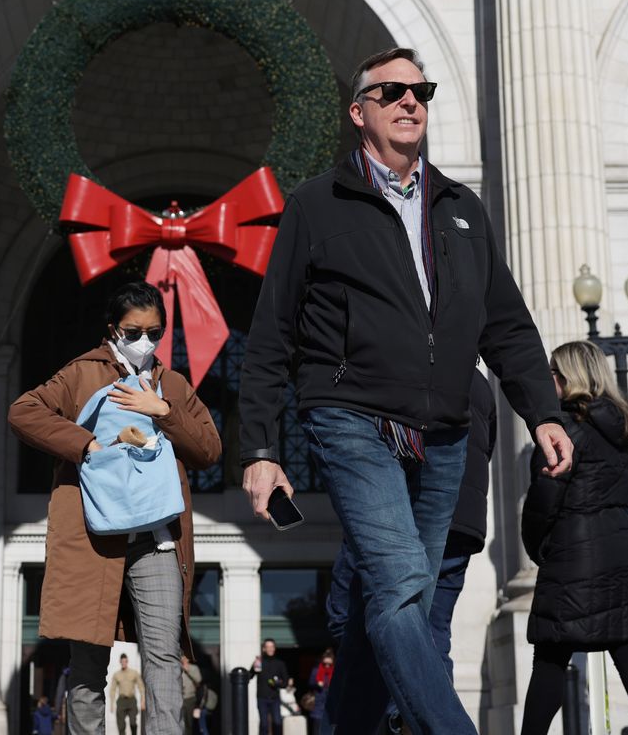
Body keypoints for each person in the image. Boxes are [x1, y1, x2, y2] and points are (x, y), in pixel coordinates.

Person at [238, 46, 572, 735]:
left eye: (419, 89)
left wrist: (542, 410)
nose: (409, 101)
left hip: (444, 427)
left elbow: (504, 321)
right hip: (350, 415)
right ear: (358, 112)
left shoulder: (460, 208)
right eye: (390, 92)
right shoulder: (314, 205)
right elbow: (271, 334)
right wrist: (261, 448)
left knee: (396, 611)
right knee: (398, 587)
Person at [9, 282, 223, 735]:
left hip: (157, 538)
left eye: (155, 332)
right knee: (87, 655)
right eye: (134, 330)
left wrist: (162, 409)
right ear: (113, 329)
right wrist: (87, 445)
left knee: (164, 652)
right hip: (92, 535)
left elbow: (208, 449)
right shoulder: (82, 373)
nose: (145, 340)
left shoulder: (173, 384)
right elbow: (24, 412)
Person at [324, 368, 497, 734]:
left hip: (411, 511)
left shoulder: (417, 363)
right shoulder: (482, 386)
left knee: (363, 620)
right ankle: (411, 714)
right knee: (434, 632)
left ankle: (401, 715)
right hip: (465, 524)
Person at [518, 342, 628, 735]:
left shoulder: (563, 430)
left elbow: (542, 502)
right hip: (622, 551)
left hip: (574, 554)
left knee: (549, 661)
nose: (548, 379)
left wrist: (538, 548)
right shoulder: (618, 428)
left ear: (569, 378)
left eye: (553, 371)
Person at [252, 638, 290, 735]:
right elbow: (249, 676)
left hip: (274, 698)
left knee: (277, 722)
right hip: (262, 698)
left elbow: (285, 683)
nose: (270, 649)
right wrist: (253, 668)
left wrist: (277, 683)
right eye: (267, 647)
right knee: (264, 724)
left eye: (272, 646)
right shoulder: (259, 662)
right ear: (264, 649)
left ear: (274, 648)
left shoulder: (280, 663)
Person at [110, 655, 145, 735]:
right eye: (122, 661)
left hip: (131, 700)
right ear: (120, 662)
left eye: (125, 661)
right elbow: (113, 689)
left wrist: (143, 700)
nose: (123, 663)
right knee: (121, 726)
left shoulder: (134, 673)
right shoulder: (117, 675)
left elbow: (141, 686)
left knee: (133, 722)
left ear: (127, 661)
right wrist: (112, 704)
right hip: (121, 701)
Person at [308, 648, 335, 735]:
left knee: (329, 728)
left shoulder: (335, 671)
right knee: (317, 727)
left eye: (329, 664)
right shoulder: (316, 670)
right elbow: (310, 682)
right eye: (325, 664)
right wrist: (317, 683)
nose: (327, 666)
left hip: (330, 703)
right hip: (318, 702)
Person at [178, 654, 206, 735]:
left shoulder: (194, 668)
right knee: (181, 722)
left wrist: (188, 671)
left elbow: (199, 681)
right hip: (180, 699)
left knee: (190, 723)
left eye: (184, 656)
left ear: (188, 658)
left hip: (190, 698)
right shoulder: (178, 668)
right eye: (181, 656)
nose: (182, 658)